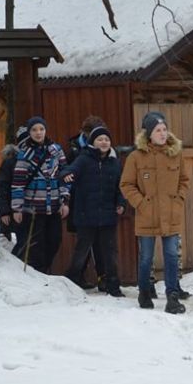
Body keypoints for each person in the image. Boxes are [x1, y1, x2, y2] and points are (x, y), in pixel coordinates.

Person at [119, 111, 190, 314]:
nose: (162, 133)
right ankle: (144, 292)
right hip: (146, 215)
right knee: (146, 258)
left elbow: (184, 180)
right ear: (148, 134)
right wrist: (141, 203)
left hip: (171, 215)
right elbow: (126, 184)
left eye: (165, 129)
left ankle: (173, 297)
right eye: (158, 130)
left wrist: (179, 199)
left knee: (171, 257)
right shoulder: (136, 157)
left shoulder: (175, 154)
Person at [62, 125, 125, 297]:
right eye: (100, 139)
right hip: (85, 215)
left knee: (110, 252)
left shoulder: (114, 163)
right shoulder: (84, 159)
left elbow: (121, 186)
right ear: (93, 142)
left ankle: (113, 285)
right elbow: (69, 170)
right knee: (81, 251)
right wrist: (66, 174)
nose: (104, 142)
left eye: (106, 139)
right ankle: (71, 283)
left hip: (107, 215)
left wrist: (121, 203)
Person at [10, 116, 70, 273]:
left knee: (55, 240)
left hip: (54, 205)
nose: (38, 133)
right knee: (35, 244)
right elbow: (18, 182)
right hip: (33, 206)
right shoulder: (24, 154)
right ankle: (39, 273)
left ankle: (45, 269)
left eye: (41, 129)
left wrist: (65, 200)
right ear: (29, 132)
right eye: (34, 130)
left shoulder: (56, 150)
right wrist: (17, 208)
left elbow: (65, 176)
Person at [64, 115, 107, 290]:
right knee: (85, 243)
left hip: (100, 203)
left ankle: (102, 277)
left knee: (100, 243)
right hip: (80, 203)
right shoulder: (75, 151)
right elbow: (67, 176)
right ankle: (75, 277)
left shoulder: (104, 149)